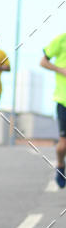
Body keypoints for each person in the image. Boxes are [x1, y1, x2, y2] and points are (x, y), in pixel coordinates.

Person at [40, 32, 66, 188]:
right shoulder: (61, 40)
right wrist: (61, 70)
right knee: (64, 143)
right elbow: (43, 62)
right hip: (63, 100)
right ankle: (61, 166)